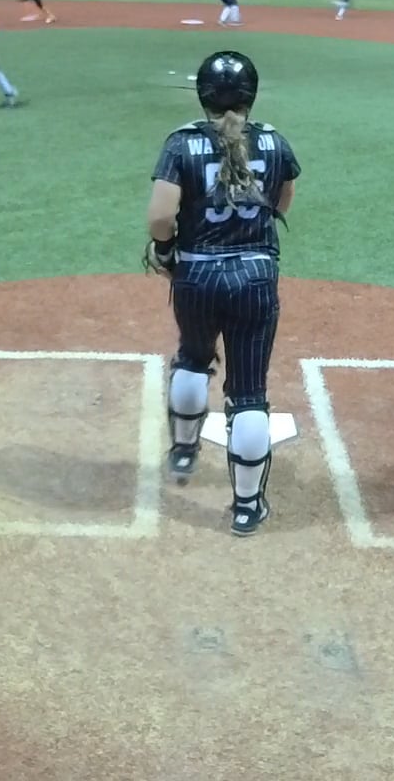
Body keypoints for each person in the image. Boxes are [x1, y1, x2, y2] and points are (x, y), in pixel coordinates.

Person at [144, 50, 301, 536]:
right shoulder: (273, 142)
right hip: (255, 276)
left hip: (197, 276)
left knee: (193, 358)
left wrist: (165, 251)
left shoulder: (182, 144)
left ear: (203, 95)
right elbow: (282, 201)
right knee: (249, 394)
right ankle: (246, 508)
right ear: (251, 95)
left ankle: (184, 450)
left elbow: (160, 216)